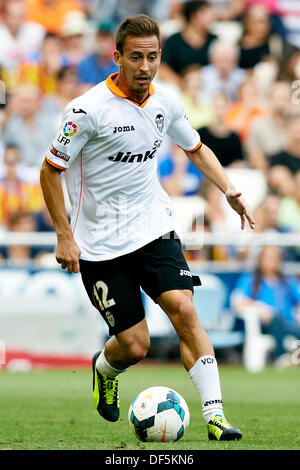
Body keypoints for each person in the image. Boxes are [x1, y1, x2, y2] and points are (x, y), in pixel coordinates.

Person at [40, 14, 255, 441]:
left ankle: (215, 416)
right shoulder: (85, 111)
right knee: (134, 345)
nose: (144, 66)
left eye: (152, 57)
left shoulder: (166, 102)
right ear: (116, 56)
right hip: (100, 244)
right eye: (135, 57)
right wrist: (64, 234)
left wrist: (229, 189)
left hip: (154, 227)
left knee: (185, 310)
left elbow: (195, 148)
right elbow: (50, 172)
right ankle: (105, 370)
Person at [231, 245, 300, 362]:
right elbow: (237, 300)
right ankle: (280, 357)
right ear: (260, 260)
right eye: (268, 258)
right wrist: (260, 308)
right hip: (264, 324)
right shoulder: (251, 280)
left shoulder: (288, 281)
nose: (272, 261)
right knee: (277, 319)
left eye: (275, 258)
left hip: (288, 324)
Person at [159, 1, 217, 90]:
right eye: (206, 14)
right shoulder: (174, 40)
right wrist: (181, 84)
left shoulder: (214, 40)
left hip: (208, 89)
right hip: (179, 88)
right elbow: (163, 67)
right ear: (193, 16)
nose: (212, 18)